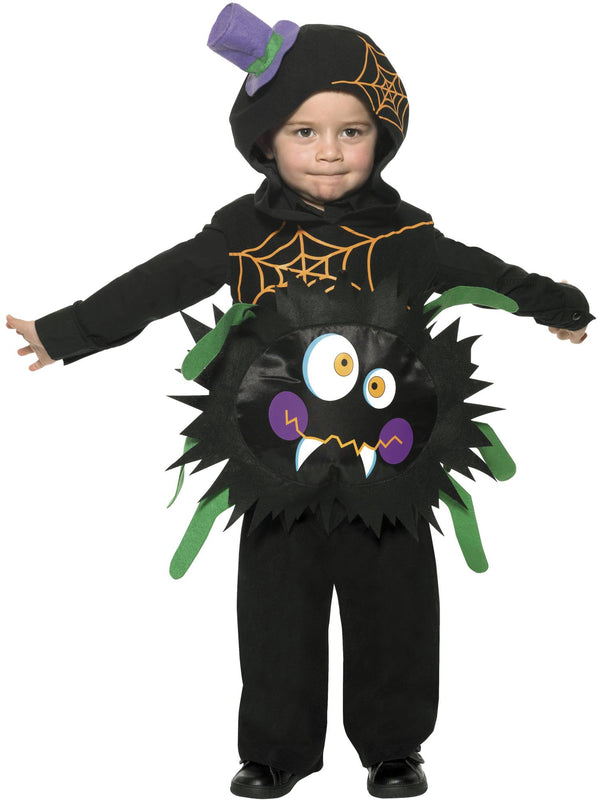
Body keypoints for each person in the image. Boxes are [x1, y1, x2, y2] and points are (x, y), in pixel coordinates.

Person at [5, 4, 592, 799]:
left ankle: (394, 746)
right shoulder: (240, 234)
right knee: (276, 612)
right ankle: (276, 750)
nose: (329, 151)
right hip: (277, 461)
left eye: (352, 131)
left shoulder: (409, 238)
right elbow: (157, 284)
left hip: (388, 458)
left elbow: (489, 273)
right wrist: (65, 332)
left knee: (396, 609)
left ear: (382, 136)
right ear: (266, 139)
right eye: (304, 131)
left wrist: (561, 304)